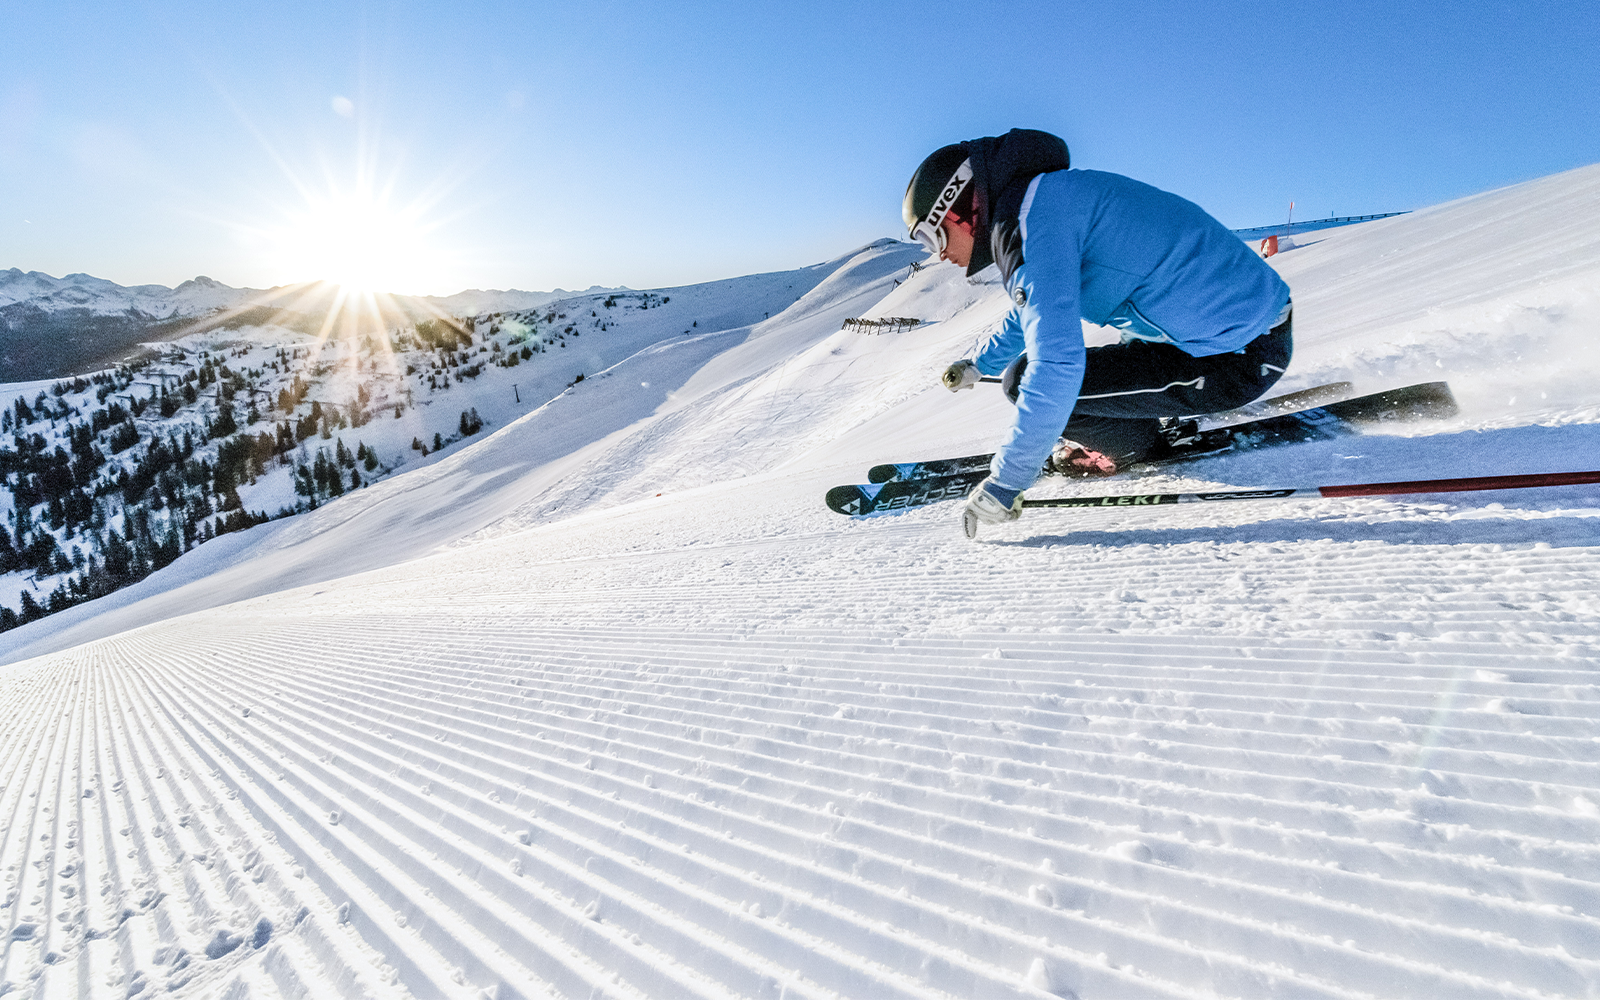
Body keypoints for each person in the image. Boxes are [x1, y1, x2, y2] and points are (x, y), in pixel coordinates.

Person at [902, 129, 1293, 527]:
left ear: (956, 209)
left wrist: (1007, 483)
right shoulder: (1042, 202)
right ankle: (1137, 417)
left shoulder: (1024, 224)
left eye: (930, 237)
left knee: (1022, 382)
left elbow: (1057, 364)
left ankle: (1135, 445)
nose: (940, 254)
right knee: (1034, 377)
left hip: (1238, 356)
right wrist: (979, 363)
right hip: (1240, 331)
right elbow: (1036, 308)